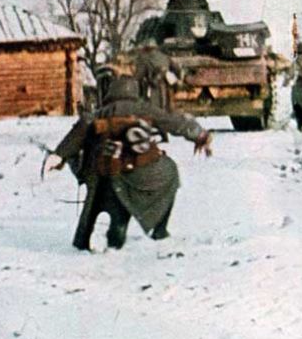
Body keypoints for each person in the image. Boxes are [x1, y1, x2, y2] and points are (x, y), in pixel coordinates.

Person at [46, 75, 212, 250]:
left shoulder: (99, 113)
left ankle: (97, 241)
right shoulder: (145, 108)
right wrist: (200, 134)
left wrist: (59, 155)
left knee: (113, 212)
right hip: (140, 171)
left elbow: (78, 133)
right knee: (170, 171)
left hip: (105, 172)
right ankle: (159, 229)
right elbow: (175, 122)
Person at [133, 38, 181, 110]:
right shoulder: (165, 57)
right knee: (167, 109)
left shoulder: (144, 58)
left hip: (153, 88)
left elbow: (139, 76)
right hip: (167, 88)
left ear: (146, 48)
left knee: (153, 110)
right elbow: (177, 69)